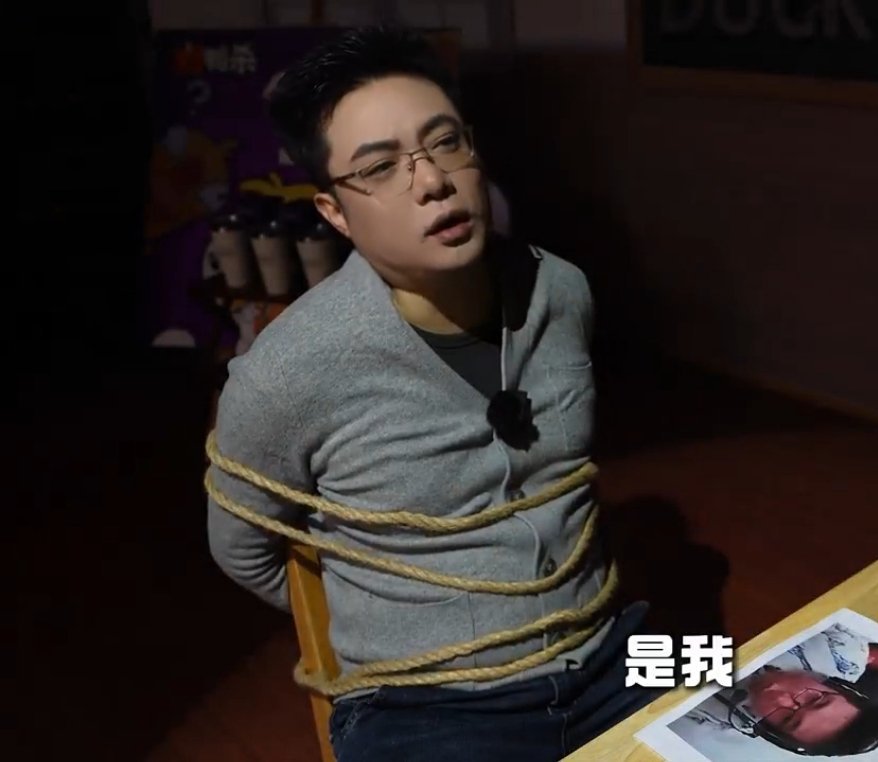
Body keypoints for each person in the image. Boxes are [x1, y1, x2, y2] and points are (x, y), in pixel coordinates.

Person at [204, 25, 663, 761]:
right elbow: (242, 544)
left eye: (445, 143)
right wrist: (397, 617)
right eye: (380, 167)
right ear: (334, 212)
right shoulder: (290, 370)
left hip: (610, 651)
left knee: (771, 712)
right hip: (426, 704)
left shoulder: (561, 290)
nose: (431, 182)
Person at [679, 624, 878, 756]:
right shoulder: (843, 652)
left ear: (769, 730)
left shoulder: (708, 717)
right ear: (835, 685)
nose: (780, 697)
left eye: (787, 718)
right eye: (816, 698)